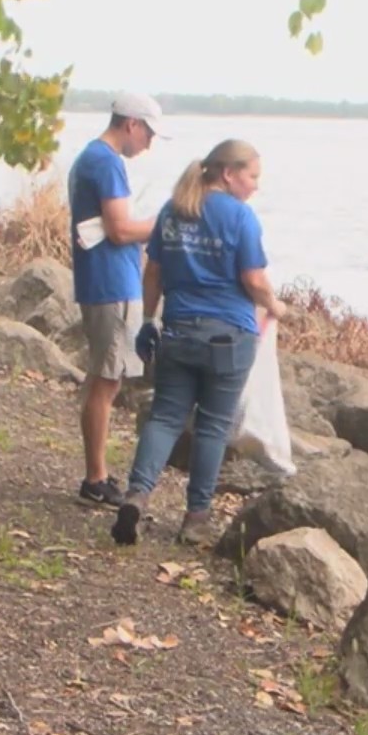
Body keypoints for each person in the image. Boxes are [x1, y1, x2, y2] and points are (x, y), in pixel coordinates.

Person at [112, 139, 286, 548]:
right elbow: (254, 280)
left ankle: (137, 494)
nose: (256, 186)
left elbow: (152, 273)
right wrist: (276, 305)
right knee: (212, 426)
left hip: (178, 331)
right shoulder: (241, 218)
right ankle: (195, 519)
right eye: (252, 176)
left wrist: (149, 321)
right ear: (229, 174)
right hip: (228, 337)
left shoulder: (174, 210)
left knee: (166, 417)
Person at [69, 92, 167, 507]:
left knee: (103, 378)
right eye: (149, 133)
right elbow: (121, 230)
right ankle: (96, 478)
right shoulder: (106, 162)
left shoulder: (92, 158)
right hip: (111, 284)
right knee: (107, 381)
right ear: (132, 124)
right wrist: (164, 225)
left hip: (106, 281)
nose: (149, 143)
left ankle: (97, 473)